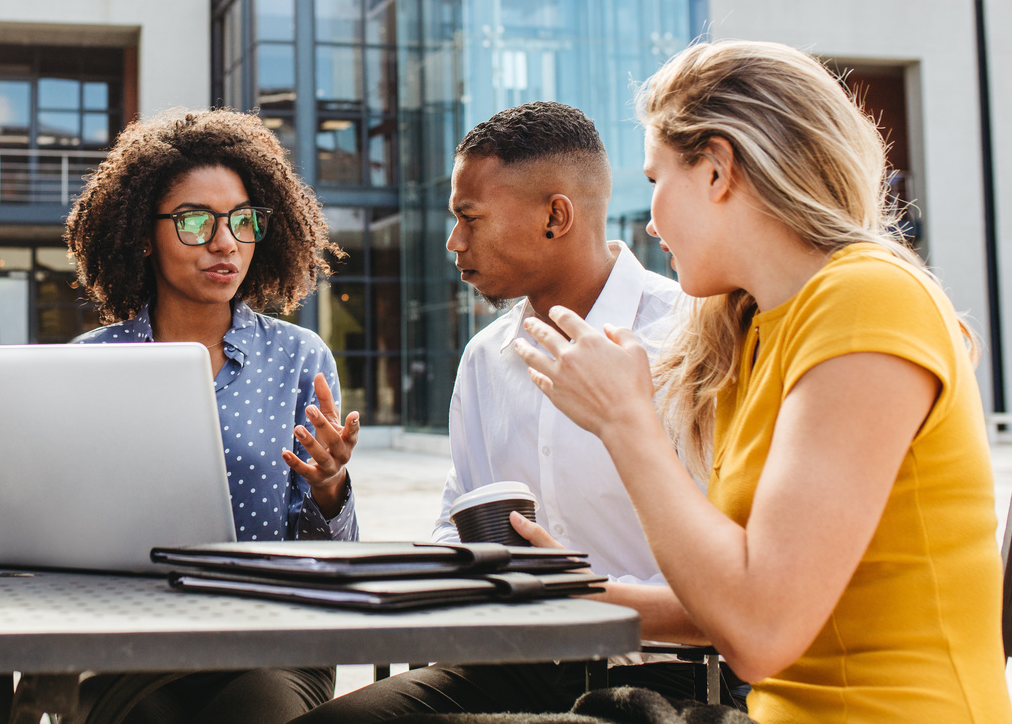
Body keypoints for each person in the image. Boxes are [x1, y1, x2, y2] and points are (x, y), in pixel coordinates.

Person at [514, 40, 1012, 722]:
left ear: (718, 168)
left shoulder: (868, 298)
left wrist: (623, 422)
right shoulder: (752, 333)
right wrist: (580, 594)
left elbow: (761, 632)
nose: (651, 218)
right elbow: (747, 595)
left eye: (658, 179)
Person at [289, 102, 739, 724]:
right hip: (511, 664)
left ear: (556, 216)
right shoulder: (486, 357)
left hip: (678, 675)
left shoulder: (696, 338)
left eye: (469, 218)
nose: (454, 242)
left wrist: (589, 601)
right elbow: (458, 520)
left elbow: (745, 575)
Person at [66, 108, 359, 724]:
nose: (225, 242)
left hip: (272, 635)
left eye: (242, 221)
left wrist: (330, 488)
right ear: (143, 234)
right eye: (195, 221)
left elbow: (333, 558)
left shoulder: (301, 359)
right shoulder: (92, 363)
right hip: (128, 635)